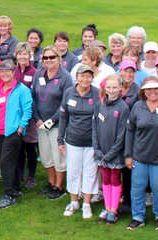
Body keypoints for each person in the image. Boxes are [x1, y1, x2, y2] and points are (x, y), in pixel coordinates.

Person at [124, 79, 158, 231]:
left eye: (156, 89)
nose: (152, 92)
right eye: (148, 89)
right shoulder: (137, 107)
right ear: (143, 91)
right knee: (137, 188)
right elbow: (130, 131)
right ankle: (137, 217)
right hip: (139, 156)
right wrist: (128, 155)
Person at [58, 64, 101, 219]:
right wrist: (60, 139)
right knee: (73, 172)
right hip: (72, 140)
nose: (85, 79)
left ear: (92, 78)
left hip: (91, 142)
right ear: (77, 77)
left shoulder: (97, 94)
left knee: (90, 173)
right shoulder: (69, 92)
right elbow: (63, 117)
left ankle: (87, 204)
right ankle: (74, 202)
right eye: (82, 76)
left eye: (88, 76)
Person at [31, 48, 73, 200]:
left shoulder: (65, 77)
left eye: (52, 57)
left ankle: (59, 186)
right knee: (46, 155)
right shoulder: (39, 74)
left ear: (59, 58)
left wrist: (52, 120)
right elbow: (33, 98)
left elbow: (65, 103)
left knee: (58, 157)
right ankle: (51, 182)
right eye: (45, 58)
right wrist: (37, 119)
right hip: (41, 124)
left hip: (58, 124)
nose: (48, 60)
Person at [0, 61, 33, 209]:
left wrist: (21, 127)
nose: (4, 74)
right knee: (11, 161)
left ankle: (8, 194)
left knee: (5, 163)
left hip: (14, 131)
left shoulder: (22, 89)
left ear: (13, 72)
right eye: (1, 71)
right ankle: (15, 189)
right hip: (1, 131)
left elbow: (27, 110)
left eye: (7, 71)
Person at [92, 75, 129, 225]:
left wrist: (111, 153)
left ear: (120, 88)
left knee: (114, 178)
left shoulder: (123, 107)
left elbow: (122, 135)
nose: (111, 90)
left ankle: (114, 209)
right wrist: (97, 149)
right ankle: (107, 208)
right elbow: (94, 128)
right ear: (104, 88)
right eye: (109, 87)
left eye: (115, 87)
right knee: (105, 178)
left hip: (115, 153)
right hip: (101, 152)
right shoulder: (99, 105)